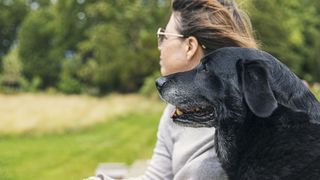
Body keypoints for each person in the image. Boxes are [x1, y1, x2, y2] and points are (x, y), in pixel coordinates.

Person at [87, 0, 258, 179]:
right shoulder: (176, 109)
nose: (160, 46)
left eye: (164, 36)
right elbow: (157, 177)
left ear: (189, 47)